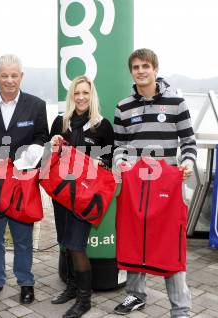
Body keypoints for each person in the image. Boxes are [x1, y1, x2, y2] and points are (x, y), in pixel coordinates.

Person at [112, 48, 196, 317]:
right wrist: (120, 163)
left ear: (156, 69)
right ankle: (135, 295)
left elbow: (189, 143)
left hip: (167, 185)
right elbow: (119, 146)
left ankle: (180, 307)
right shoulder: (123, 107)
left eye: (145, 66)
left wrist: (188, 163)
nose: (141, 71)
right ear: (131, 72)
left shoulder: (176, 103)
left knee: (170, 243)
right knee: (134, 237)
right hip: (136, 185)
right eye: (135, 67)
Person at [0, 54, 49, 304]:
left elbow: (41, 138)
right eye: (4, 75)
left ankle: (26, 282)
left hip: (21, 184)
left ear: (21, 76)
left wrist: (28, 158)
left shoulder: (36, 105)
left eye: (14, 75)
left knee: (23, 237)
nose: (9, 80)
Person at [49, 76, 114, 318]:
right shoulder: (60, 122)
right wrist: (53, 144)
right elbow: (50, 160)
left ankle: (84, 300)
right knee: (66, 243)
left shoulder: (102, 125)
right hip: (62, 196)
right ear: (71, 96)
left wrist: (100, 162)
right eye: (77, 93)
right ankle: (72, 288)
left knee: (77, 246)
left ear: (92, 95)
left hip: (85, 198)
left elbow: (110, 162)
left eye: (85, 92)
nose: (81, 97)